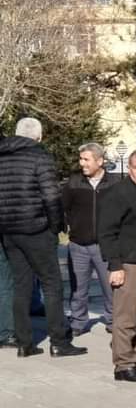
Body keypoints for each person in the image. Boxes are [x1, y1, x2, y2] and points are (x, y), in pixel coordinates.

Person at [0, 118, 84, 358]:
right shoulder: (40, 156)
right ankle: (59, 342)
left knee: (21, 285)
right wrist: (56, 227)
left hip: (9, 230)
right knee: (52, 284)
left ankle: (24, 343)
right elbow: (51, 196)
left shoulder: (2, 156)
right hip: (36, 229)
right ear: (38, 136)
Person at [97, 148, 136, 382]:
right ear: (129, 168)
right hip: (128, 264)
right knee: (126, 317)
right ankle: (124, 364)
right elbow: (106, 232)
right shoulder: (118, 193)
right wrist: (115, 265)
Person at [62, 142, 119, 335]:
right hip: (78, 245)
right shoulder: (73, 182)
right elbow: (63, 208)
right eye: (81, 159)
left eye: (86, 159)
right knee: (78, 289)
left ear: (100, 161)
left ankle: (113, 322)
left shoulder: (115, 183)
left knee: (111, 288)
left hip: (106, 246)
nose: (82, 163)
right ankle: (78, 323)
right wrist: (69, 227)